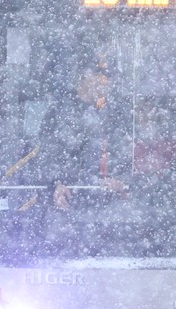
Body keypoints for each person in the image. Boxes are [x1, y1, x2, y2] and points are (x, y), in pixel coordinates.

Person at [36, 62, 132, 209]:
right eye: (103, 80)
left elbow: (123, 155)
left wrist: (121, 183)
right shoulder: (63, 113)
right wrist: (56, 183)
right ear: (86, 78)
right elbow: (49, 156)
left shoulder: (111, 114)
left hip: (109, 209)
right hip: (71, 205)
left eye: (109, 82)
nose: (107, 87)